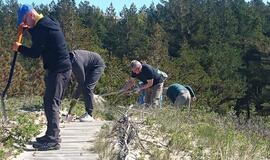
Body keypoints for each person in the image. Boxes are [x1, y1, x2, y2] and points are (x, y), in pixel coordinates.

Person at [12, 4, 72, 150]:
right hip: (59, 69)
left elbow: (34, 53)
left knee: (52, 104)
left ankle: (53, 140)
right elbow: (41, 34)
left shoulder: (42, 28)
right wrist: (28, 29)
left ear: (31, 15)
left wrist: (19, 47)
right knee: (48, 102)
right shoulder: (47, 22)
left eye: (25, 20)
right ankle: (50, 134)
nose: (25, 23)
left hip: (59, 70)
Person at [69, 50, 105, 122]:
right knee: (84, 87)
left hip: (97, 65)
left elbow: (81, 83)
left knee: (87, 88)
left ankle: (89, 114)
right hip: (88, 66)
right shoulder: (68, 59)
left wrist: (75, 99)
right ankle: (87, 111)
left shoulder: (76, 64)